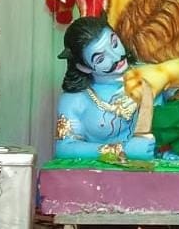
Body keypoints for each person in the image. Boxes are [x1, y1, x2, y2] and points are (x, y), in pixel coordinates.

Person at [54, 15, 158, 160]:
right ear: (84, 67)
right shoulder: (75, 99)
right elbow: (65, 148)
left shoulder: (151, 74)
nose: (116, 56)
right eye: (101, 59)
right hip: (102, 172)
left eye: (114, 44)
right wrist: (121, 150)